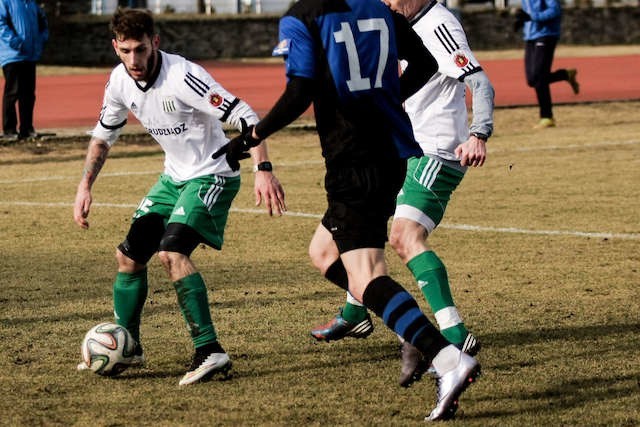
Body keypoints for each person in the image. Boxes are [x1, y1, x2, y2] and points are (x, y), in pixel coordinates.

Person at [212, 0, 480, 420]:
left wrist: (251, 137)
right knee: (323, 253)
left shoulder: (305, 15)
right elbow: (426, 61)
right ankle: (406, 325)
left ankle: (446, 357)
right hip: (389, 156)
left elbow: (299, 91)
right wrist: (387, 99)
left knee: (368, 274)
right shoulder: (379, 9)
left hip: (354, 160)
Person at [73, 8, 286, 386]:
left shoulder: (184, 76)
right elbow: (104, 135)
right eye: (125, 51)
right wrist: (85, 186)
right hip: (174, 178)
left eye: (140, 49)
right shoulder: (119, 81)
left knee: (172, 254)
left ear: (155, 42)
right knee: (128, 257)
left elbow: (246, 115)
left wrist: (263, 170)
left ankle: (210, 350)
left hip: (212, 174)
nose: (134, 60)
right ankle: (129, 344)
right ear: (115, 48)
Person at [310, 0, 494, 388]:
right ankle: (356, 309)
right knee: (335, 244)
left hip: (436, 150)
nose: (387, 2)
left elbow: (478, 80)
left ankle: (455, 333)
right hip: (398, 151)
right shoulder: (393, 24)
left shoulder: (440, 24)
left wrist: (479, 134)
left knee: (405, 236)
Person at [513, 0, 579, 129]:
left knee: (539, 76)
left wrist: (532, 17)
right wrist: (522, 20)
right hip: (530, 36)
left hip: (546, 35)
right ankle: (566, 74)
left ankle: (547, 117)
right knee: (532, 80)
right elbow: (529, 11)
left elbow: (554, 11)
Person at [0, 0, 48, 139]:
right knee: (13, 91)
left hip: (30, 55)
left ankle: (27, 129)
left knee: (28, 94)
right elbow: (1, 23)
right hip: (13, 55)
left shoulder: (32, 3)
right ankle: (9, 130)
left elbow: (43, 22)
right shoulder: (5, 2)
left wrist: (41, 39)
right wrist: (16, 42)